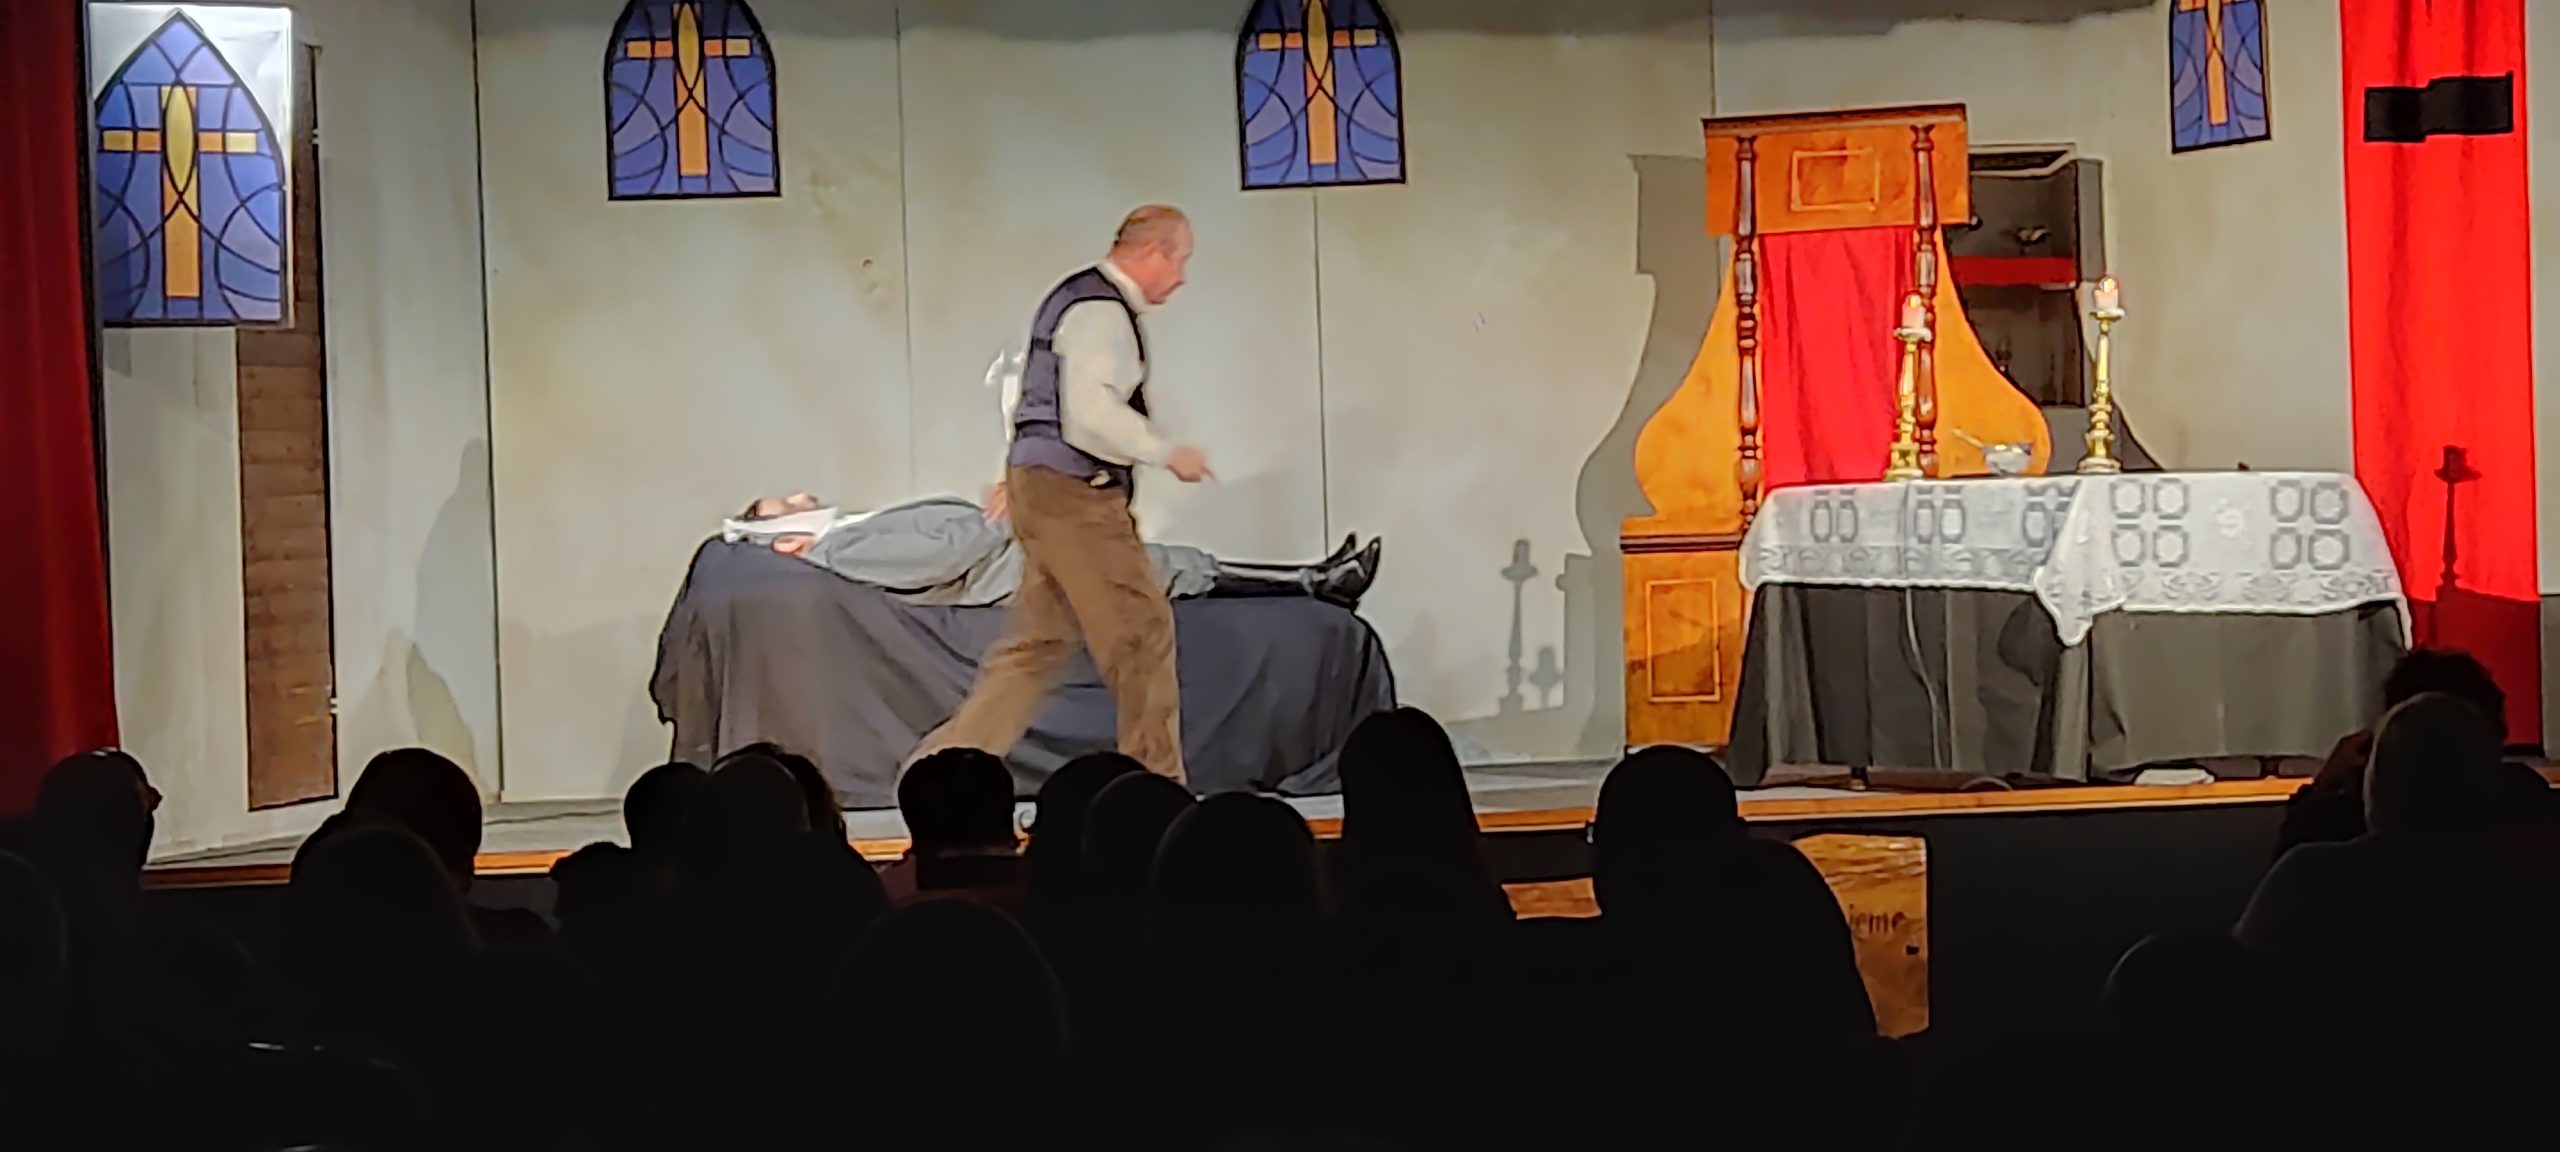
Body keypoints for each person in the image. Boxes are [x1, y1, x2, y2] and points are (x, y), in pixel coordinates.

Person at [908, 205, 1210, 783]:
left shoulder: (1078, 300)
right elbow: (1090, 412)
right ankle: (1158, 784)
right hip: (1075, 493)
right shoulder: (1100, 309)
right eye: (1180, 261)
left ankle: (938, 773)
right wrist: (1167, 452)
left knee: (1040, 643)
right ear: (1153, 252)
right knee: (1141, 633)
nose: (1181, 278)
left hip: (1044, 487)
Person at [724, 489, 1379, 609]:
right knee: (1166, 567)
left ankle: (1313, 578)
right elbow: (940, 560)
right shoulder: (840, 550)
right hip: (1018, 571)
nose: (803, 493)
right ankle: (1314, 585)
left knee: (1168, 560)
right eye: (787, 503)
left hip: (1021, 554)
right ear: (787, 540)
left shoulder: (849, 537)